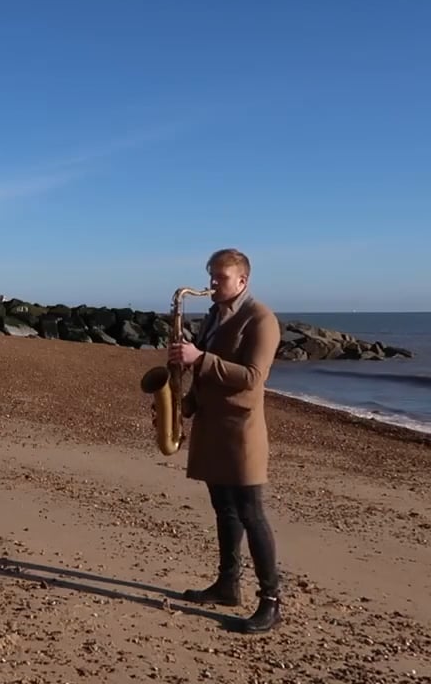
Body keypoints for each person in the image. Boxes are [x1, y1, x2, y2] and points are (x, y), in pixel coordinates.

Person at [167, 248, 283, 633]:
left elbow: (253, 377)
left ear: (243, 281)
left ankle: (271, 601)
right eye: (211, 276)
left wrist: (199, 358)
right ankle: (228, 584)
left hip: (240, 430)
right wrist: (184, 403)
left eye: (221, 277)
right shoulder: (214, 315)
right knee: (224, 509)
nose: (212, 283)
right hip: (212, 425)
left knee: (251, 512)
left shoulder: (261, 319)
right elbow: (206, 373)